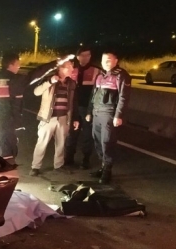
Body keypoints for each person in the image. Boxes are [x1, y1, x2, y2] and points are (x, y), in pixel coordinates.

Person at [0, 53, 63, 164]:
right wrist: (55, 63)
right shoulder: (16, 80)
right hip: (8, 123)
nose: (19, 67)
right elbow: (36, 73)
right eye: (17, 64)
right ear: (11, 65)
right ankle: (6, 171)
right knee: (7, 154)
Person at [86, 51, 131, 184]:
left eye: (108, 60)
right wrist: (89, 111)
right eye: (103, 60)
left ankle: (107, 170)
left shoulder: (121, 75)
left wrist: (119, 115)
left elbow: (124, 97)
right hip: (96, 112)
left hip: (109, 113)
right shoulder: (100, 75)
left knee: (107, 142)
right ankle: (103, 166)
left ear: (116, 61)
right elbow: (93, 95)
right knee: (97, 140)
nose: (105, 62)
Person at [30, 60, 79, 176]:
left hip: (63, 118)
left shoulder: (71, 83)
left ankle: (59, 165)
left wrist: (75, 118)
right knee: (42, 143)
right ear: (60, 68)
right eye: (69, 67)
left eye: (72, 66)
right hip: (48, 117)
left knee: (61, 144)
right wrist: (50, 82)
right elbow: (36, 92)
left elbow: (74, 101)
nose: (72, 69)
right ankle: (35, 167)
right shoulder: (48, 78)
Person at [64, 46, 100, 169]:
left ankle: (86, 159)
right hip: (73, 108)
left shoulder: (96, 71)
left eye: (88, 55)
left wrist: (92, 109)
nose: (85, 57)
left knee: (87, 135)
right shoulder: (72, 70)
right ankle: (68, 158)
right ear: (78, 57)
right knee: (71, 133)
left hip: (88, 108)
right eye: (82, 55)